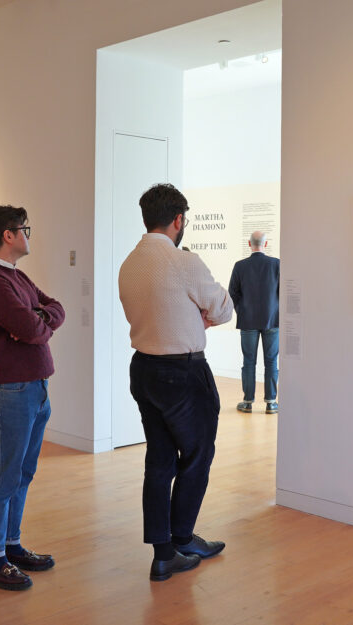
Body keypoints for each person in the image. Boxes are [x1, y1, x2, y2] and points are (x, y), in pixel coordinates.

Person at [118, 183, 234, 581]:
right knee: (198, 455)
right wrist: (200, 315)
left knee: (160, 459)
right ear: (179, 220)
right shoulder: (185, 263)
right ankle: (183, 537)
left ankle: (163, 553)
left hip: (144, 367)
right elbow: (223, 308)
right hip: (183, 372)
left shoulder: (130, 263)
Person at [0, 205, 65, 591]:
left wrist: (41, 317)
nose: (28, 234)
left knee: (22, 474)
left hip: (34, 386)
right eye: (25, 229)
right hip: (8, 390)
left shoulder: (14, 276)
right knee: (4, 476)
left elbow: (54, 308)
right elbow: (29, 328)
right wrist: (36, 321)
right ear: (8, 235)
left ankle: (10, 544)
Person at [228, 231, 280, 415]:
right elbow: (283, 293)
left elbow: (232, 293)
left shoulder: (240, 266)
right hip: (272, 321)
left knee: (248, 361)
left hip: (248, 320)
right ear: (265, 244)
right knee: (271, 361)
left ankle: (248, 401)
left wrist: (242, 311)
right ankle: (271, 402)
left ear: (249, 244)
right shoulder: (276, 264)